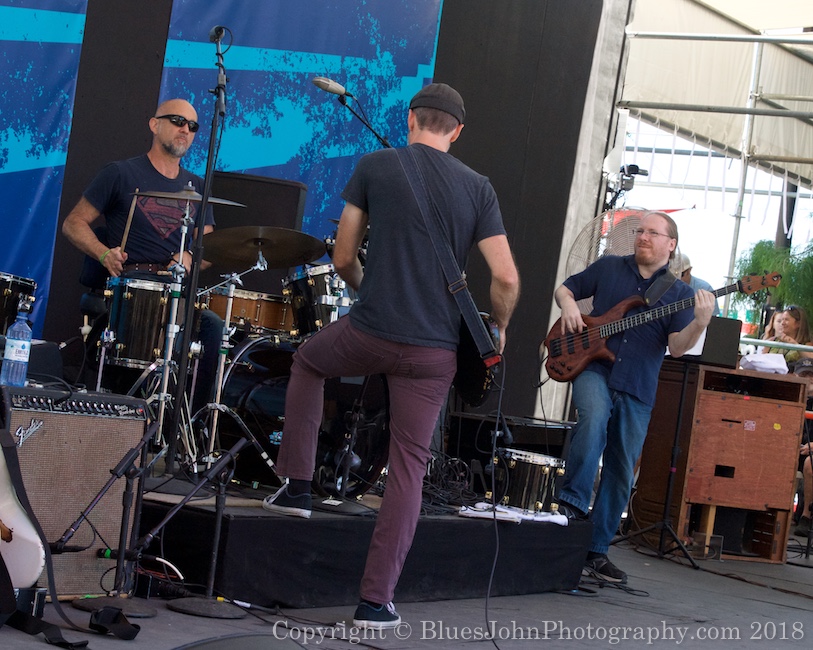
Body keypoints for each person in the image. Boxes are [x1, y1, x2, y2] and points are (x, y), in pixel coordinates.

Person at [261, 83, 520, 628]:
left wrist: (368, 293)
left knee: (308, 362)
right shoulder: (479, 188)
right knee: (408, 468)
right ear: (457, 131)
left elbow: (343, 257)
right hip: (434, 353)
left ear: (410, 119)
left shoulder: (376, 165)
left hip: (370, 331)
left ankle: (298, 487)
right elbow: (505, 277)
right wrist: (498, 327)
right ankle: (375, 604)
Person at [553, 211, 715, 584]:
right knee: (593, 419)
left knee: (621, 467)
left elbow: (677, 348)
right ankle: (572, 509)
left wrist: (700, 323)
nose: (642, 236)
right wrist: (569, 304)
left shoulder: (679, 293)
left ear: (671, 244)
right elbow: (565, 289)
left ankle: (596, 550)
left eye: (652, 232)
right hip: (594, 368)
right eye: (640, 230)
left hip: (638, 385)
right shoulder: (609, 266)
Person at [62, 98, 221, 413]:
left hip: (176, 294)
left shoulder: (198, 186)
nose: (185, 130)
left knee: (213, 328)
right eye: (177, 121)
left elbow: (210, 247)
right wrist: (103, 253)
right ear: (154, 124)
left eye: (192, 126)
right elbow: (73, 223)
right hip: (132, 288)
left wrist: (190, 256)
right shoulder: (120, 173)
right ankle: (129, 414)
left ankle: (192, 422)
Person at [792, 359, 813, 537]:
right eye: (804, 374)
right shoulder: (788, 396)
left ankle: (806, 516)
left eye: (812, 375)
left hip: (810, 454)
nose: (809, 378)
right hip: (790, 449)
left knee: (810, 464)